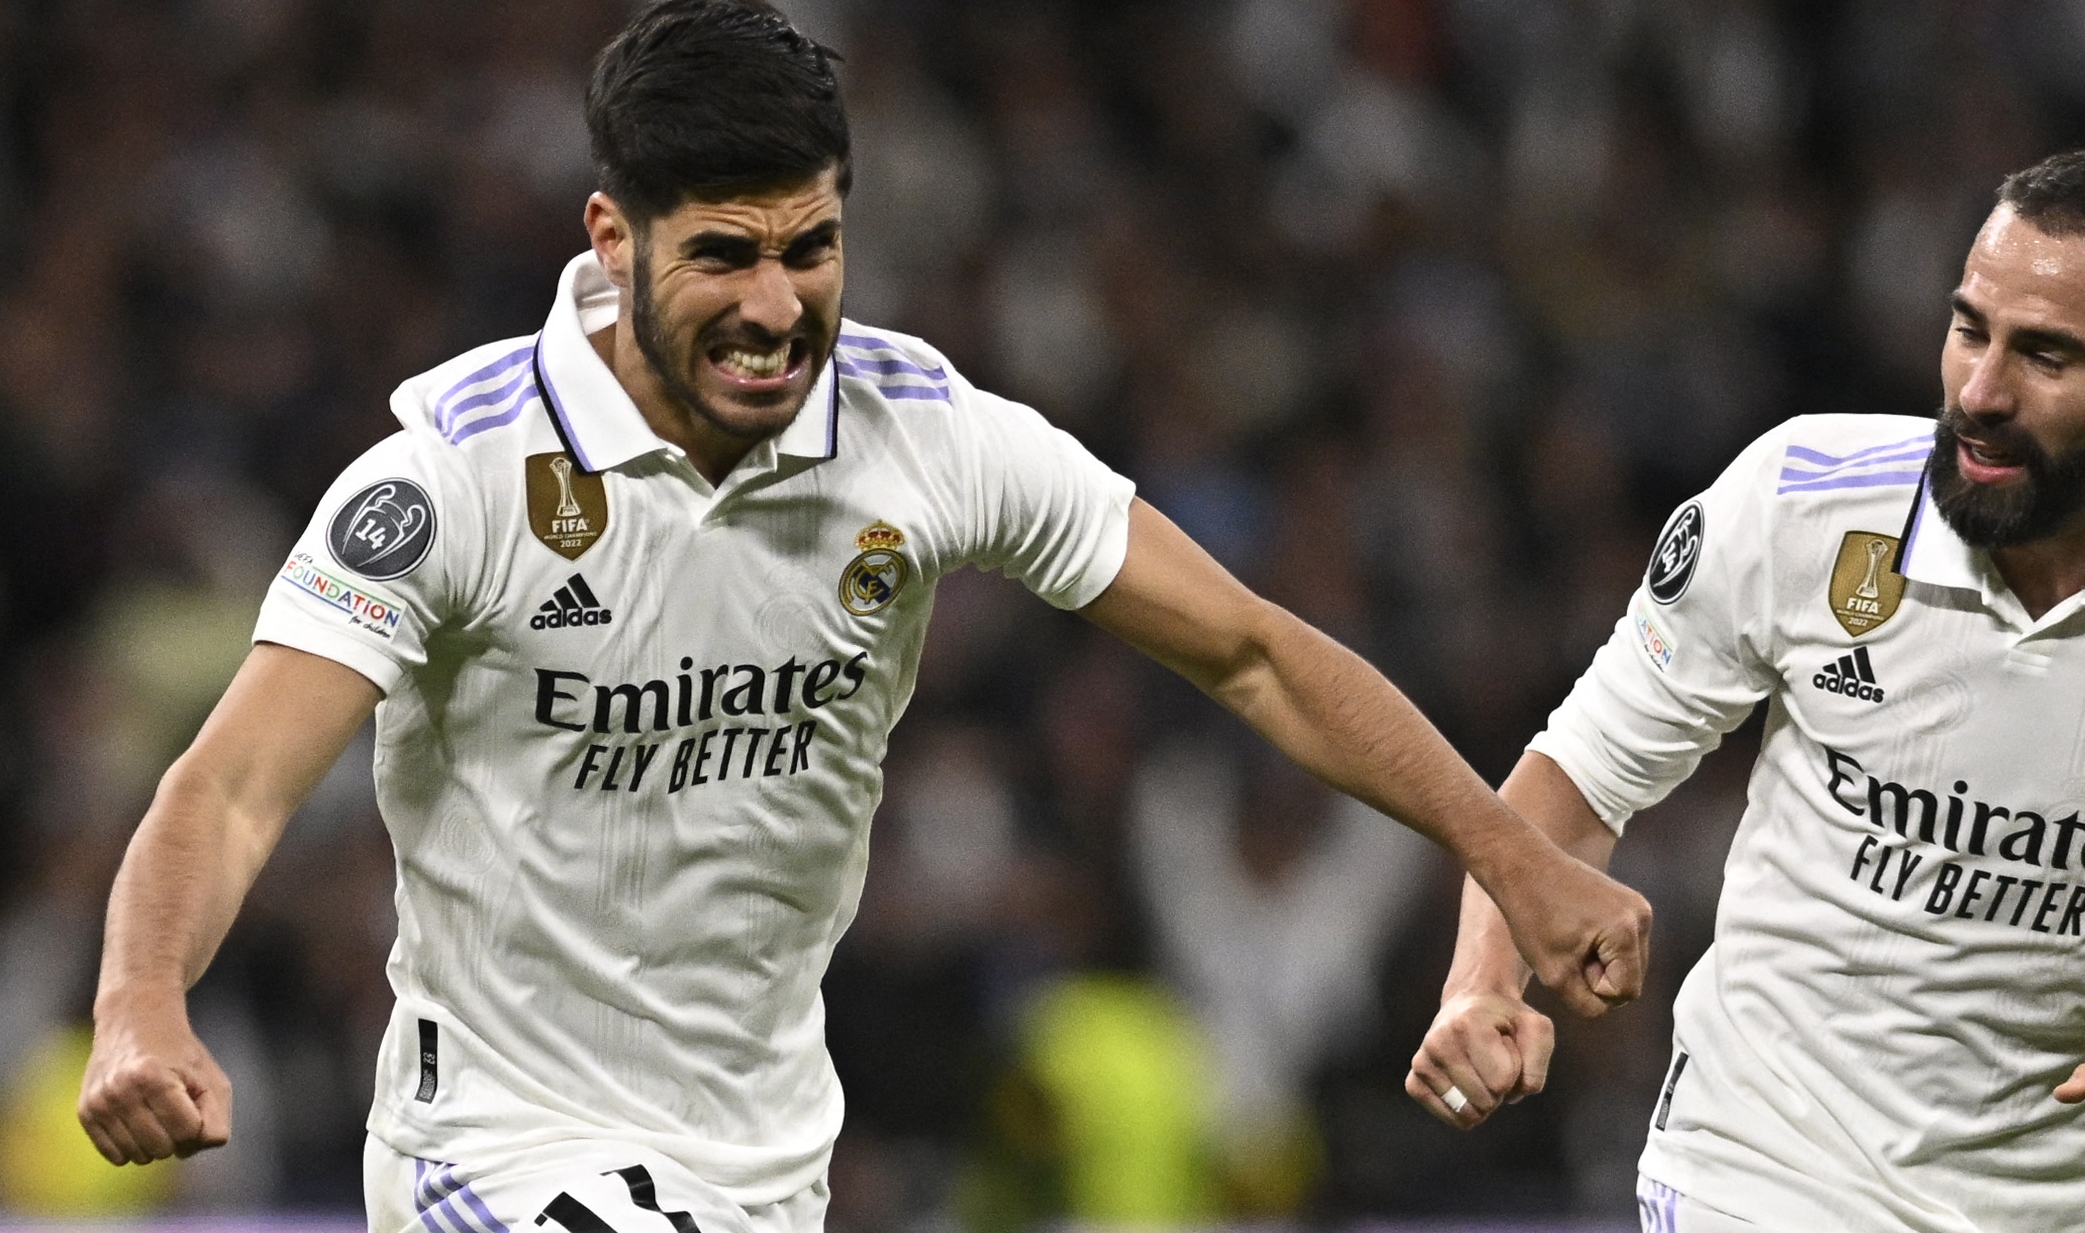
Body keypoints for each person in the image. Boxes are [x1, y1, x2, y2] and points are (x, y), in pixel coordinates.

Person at [72, 2, 1653, 1228]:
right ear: (610, 240)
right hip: (499, 1139)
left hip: (768, 1157)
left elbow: (1247, 650)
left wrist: (1504, 853)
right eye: (723, 257)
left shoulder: (929, 436)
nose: (775, 307)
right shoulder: (454, 478)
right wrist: (143, 1003)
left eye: (810, 248)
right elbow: (228, 784)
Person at [1408, 146, 2085, 1233]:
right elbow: (1574, 777)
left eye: (2046, 356)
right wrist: (1482, 981)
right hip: (1751, 1172)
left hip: (2041, 1211)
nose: (1980, 393)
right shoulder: (1802, 502)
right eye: (1968, 330)